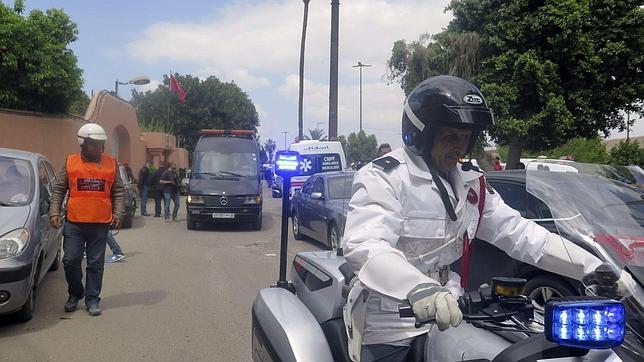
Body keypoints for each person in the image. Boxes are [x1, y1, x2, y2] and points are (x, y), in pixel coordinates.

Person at [341, 75, 636, 361]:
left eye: (465, 138)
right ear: (420, 135)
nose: (459, 147)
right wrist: (416, 287)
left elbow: (519, 233)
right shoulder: (386, 176)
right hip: (392, 321)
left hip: (451, 312)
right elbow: (366, 244)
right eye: (449, 137)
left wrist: (591, 267)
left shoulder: (471, 183)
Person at [49, 123, 125, 316]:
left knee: (95, 264)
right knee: (70, 260)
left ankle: (92, 299)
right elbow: (59, 189)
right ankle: (76, 293)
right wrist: (54, 212)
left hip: (100, 224)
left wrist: (118, 213)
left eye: (101, 144)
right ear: (83, 143)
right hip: (74, 222)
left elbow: (118, 191)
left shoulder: (111, 163)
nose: (99, 148)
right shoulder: (70, 162)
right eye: (94, 144)